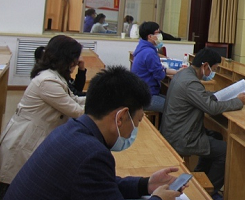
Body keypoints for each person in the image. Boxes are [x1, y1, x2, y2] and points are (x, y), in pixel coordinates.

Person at [4, 66, 182, 200]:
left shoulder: (71, 129)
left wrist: (145, 184)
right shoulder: (92, 154)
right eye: (138, 121)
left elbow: (100, 184)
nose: (135, 129)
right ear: (120, 118)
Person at [0, 35, 86, 193]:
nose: (76, 63)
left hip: (34, 137)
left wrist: (99, 98)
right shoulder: (48, 81)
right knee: (14, 189)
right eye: (75, 59)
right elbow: (76, 111)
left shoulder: (54, 76)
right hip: (25, 140)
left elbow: (74, 99)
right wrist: (103, 105)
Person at [160, 48, 245, 195]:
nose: (213, 73)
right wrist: (237, 102)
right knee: (226, 151)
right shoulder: (191, 83)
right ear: (205, 66)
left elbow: (201, 95)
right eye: (214, 69)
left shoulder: (184, 74)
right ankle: (208, 192)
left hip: (177, 130)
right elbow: (211, 108)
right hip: (182, 137)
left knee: (217, 136)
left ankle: (201, 174)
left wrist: (219, 95)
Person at [131, 21, 177, 113]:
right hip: (146, 97)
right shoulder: (149, 53)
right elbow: (159, 75)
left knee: (171, 100)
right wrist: (171, 71)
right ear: (150, 36)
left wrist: (177, 72)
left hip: (141, 93)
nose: (160, 35)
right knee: (174, 108)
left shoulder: (143, 47)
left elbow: (158, 70)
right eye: (157, 33)